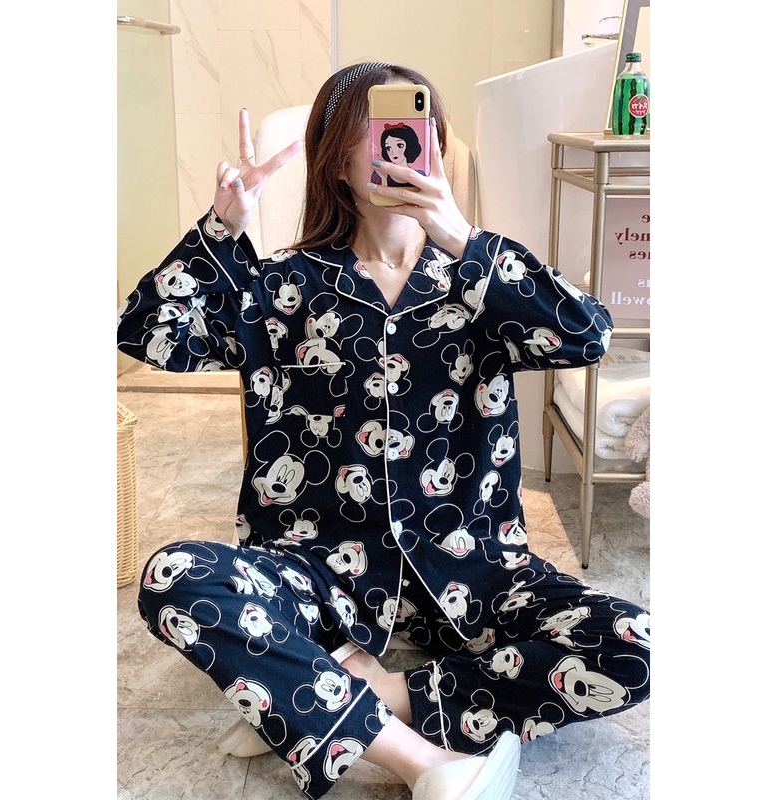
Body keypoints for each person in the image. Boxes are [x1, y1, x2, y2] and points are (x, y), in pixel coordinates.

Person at [118, 62, 650, 800]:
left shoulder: (479, 279)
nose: (393, 148)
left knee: (637, 645)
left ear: (434, 145)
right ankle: (419, 760)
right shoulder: (285, 285)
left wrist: (462, 236)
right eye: (371, 132)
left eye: (410, 128)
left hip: (474, 568)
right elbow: (149, 333)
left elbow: (587, 335)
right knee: (174, 577)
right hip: (319, 571)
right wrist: (222, 229)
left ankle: (332, 696)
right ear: (336, 159)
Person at [371, 122, 426, 187]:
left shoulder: (420, 175)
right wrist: (384, 179)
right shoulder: (379, 174)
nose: (393, 153)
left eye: (400, 145)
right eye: (388, 148)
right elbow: (377, 193)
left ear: (409, 146)